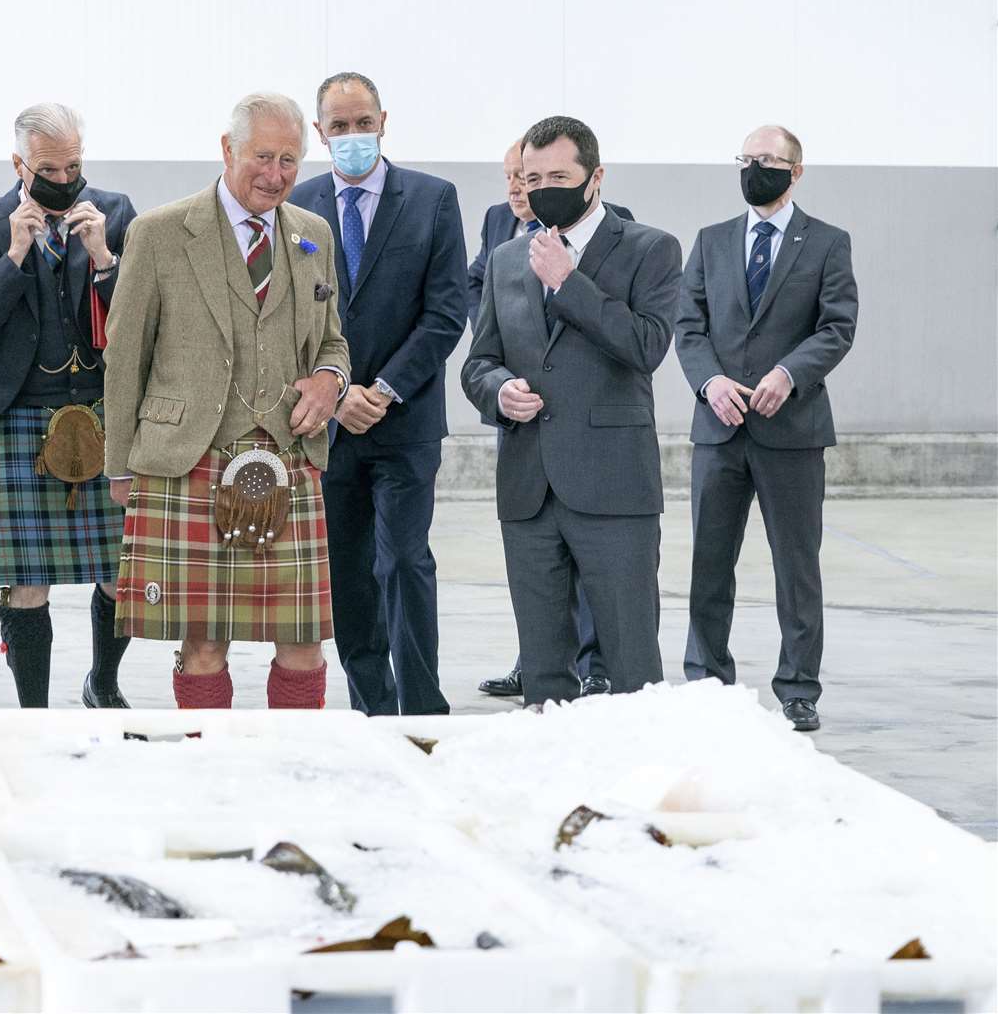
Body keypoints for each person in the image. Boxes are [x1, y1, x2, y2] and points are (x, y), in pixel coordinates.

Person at [104, 92, 350, 710]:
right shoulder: (158, 233)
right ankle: (205, 771)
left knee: (303, 643)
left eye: (290, 160)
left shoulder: (313, 234)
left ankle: (288, 770)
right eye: (261, 157)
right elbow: (124, 356)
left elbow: (333, 341)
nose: (275, 175)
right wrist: (119, 466)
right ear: (226, 149)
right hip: (187, 459)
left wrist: (329, 378)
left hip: (288, 460)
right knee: (203, 645)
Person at [461, 115, 680, 707]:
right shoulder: (507, 258)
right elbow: (478, 363)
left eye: (558, 175)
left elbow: (647, 346)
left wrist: (568, 283)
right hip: (529, 489)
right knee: (543, 676)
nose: (541, 188)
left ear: (596, 177)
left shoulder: (651, 249)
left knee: (633, 666)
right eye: (532, 177)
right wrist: (500, 391)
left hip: (614, 487)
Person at [289, 72, 466, 716]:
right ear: (321, 133)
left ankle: (422, 707)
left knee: (403, 561)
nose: (353, 137)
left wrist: (384, 390)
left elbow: (446, 313)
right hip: (324, 427)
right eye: (339, 127)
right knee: (348, 574)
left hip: (405, 421)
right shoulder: (298, 207)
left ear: (384, 121)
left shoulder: (432, 199)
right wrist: (335, 395)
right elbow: (281, 321)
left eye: (363, 123)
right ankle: (372, 706)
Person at [0, 103, 136, 707]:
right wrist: (14, 255)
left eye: (74, 165)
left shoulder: (115, 214)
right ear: (19, 164)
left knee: (119, 570)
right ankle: (33, 712)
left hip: (106, 414)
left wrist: (105, 259)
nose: (63, 180)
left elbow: (144, 325)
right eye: (49, 169)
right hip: (20, 417)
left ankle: (103, 685)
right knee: (25, 583)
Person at [675, 125, 858, 732]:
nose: (755, 169)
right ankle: (706, 675)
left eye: (768, 160)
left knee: (797, 564)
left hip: (793, 430)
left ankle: (799, 686)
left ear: (796, 171)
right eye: (747, 159)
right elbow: (689, 326)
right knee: (709, 560)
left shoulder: (828, 243)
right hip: (720, 427)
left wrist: (789, 372)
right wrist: (710, 383)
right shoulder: (711, 240)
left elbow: (836, 326)